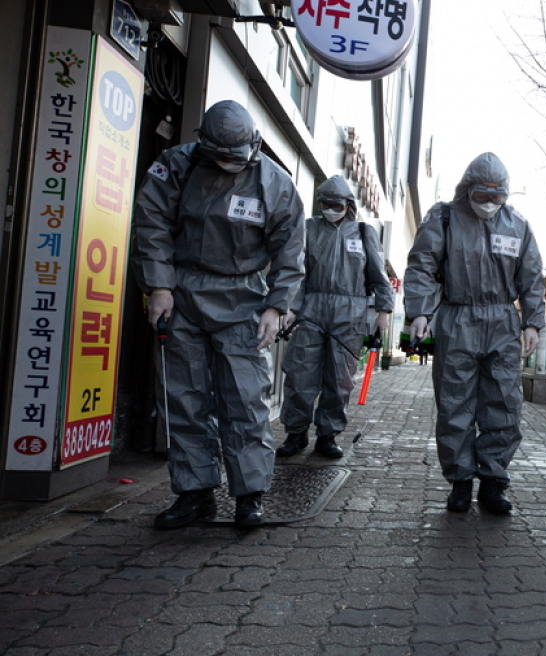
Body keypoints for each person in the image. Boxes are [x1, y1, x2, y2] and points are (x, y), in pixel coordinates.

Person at [133, 100, 305, 528]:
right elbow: (151, 221)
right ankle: (195, 493)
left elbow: (290, 250)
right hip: (183, 292)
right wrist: (158, 285)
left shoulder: (275, 183)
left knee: (245, 399)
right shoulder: (176, 165)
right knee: (184, 396)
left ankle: (249, 494)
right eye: (222, 156)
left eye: (238, 155)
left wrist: (276, 305)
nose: (231, 163)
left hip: (244, 295)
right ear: (203, 145)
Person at [403, 153, 545, 515]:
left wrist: (532, 322)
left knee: (504, 403)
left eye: (497, 198)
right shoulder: (444, 218)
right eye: (482, 196)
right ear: (468, 190)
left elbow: (531, 277)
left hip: (501, 320)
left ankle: (493, 482)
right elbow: (421, 266)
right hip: (457, 317)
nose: (489, 204)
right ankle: (461, 481)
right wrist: (419, 312)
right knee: (455, 403)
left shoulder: (518, 225)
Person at [275, 175, 393, 459]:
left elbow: (379, 277)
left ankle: (327, 435)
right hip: (312, 309)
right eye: (325, 204)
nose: (330, 208)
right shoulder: (309, 229)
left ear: (348, 204)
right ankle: (296, 433)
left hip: (349, 313)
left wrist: (384, 312)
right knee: (300, 374)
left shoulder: (364, 233)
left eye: (336, 204)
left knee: (339, 378)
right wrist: (290, 307)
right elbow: (297, 272)